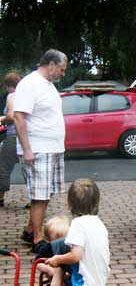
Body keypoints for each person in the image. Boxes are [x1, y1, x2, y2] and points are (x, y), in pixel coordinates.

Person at [14, 49, 68, 252]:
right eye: (62, 69)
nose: (63, 74)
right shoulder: (30, 83)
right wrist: (27, 149)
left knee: (47, 192)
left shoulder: (49, 85)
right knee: (39, 196)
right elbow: (19, 117)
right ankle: (37, 239)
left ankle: (30, 229)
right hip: (38, 150)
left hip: (52, 148)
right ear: (51, 64)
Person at [45, 179, 110, 286]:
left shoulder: (78, 224)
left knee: (62, 259)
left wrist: (58, 259)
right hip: (99, 278)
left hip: (85, 281)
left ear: (71, 205)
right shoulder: (99, 224)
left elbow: (76, 255)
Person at [0, 72, 21, 207]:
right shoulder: (26, 96)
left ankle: (0, 198)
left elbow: (11, 116)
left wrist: (2, 119)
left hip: (13, 136)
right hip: (27, 137)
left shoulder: (12, 96)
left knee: (3, 167)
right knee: (29, 169)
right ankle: (35, 200)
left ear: (8, 86)